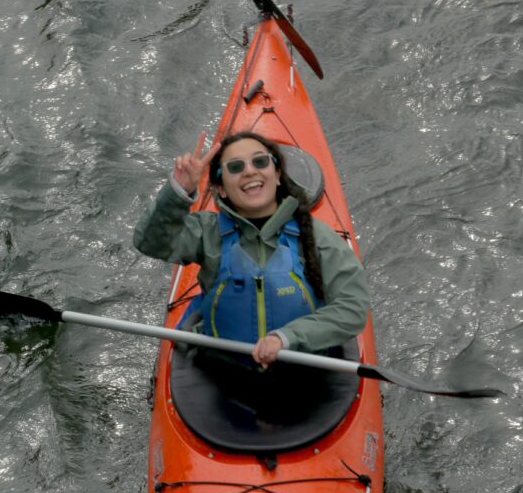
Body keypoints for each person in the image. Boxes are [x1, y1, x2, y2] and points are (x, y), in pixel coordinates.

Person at [134, 130, 370, 417]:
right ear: (220, 189)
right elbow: (150, 243)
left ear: (277, 174)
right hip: (223, 370)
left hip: (306, 369)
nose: (249, 171)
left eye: (260, 161)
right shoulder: (207, 233)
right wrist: (178, 193)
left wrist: (285, 338)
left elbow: (352, 308)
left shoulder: (318, 237)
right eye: (235, 167)